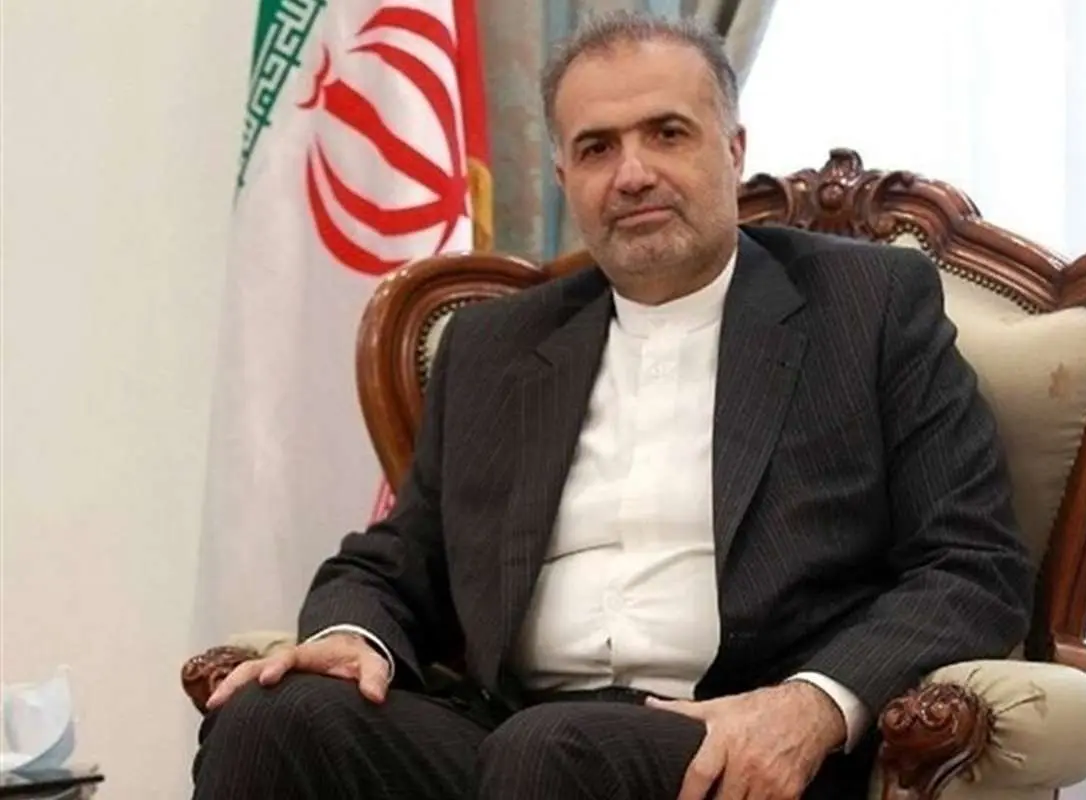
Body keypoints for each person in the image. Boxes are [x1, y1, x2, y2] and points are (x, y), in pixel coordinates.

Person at [192, 10, 1033, 800]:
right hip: (509, 733)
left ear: (733, 149)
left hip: (732, 736)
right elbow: (394, 561)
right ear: (565, 177)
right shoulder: (495, 346)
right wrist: (351, 635)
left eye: (667, 134)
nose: (632, 175)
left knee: (550, 748)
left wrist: (812, 705)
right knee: (271, 720)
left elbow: (972, 562)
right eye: (597, 148)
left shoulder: (866, 308)